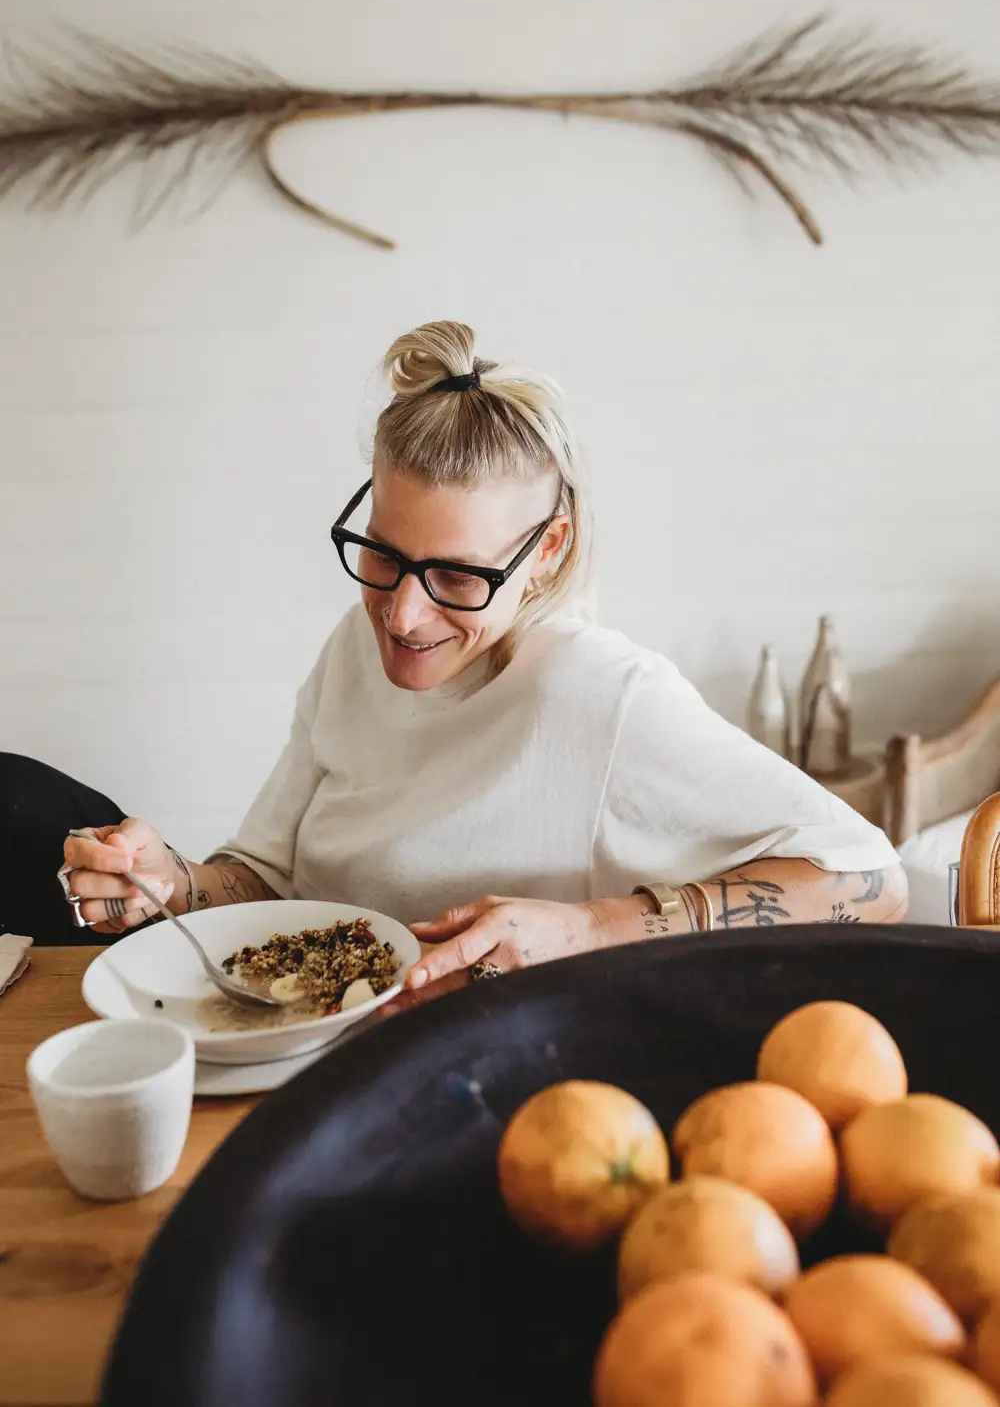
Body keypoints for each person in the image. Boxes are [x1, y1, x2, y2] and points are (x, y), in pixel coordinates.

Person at [3, 320, 906, 1003]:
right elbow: (266, 882)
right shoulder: (353, 648)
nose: (402, 614)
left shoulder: (601, 697)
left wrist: (590, 928)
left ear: (547, 550)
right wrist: (170, 883)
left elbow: (870, 877)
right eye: (383, 554)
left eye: (458, 576)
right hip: (290, 1047)